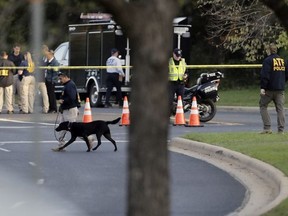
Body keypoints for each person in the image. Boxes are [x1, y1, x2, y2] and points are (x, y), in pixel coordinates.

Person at [259, 43, 288, 134]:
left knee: (263, 105)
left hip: (269, 89)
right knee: (280, 108)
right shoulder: (283, 61)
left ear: (269, 50)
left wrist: (263, 87)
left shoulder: (268, 60)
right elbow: (286, 74)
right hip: (280, 89)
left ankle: (267, 128)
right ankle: (281, 130)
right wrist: (282, 82)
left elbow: (265, 75)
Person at [52, 72, 79, 150]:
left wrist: (63, 101)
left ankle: (89, 139)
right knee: (62, 127)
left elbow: (72, 98)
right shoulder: (66, 85)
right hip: (65, 110)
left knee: (74, 129)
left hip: (70, 110)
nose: (60, 80)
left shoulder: (70, 85)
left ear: (65, 77)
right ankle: (61, 145)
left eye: (61, 78)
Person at [169, 48, 187, 115]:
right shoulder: (169, 62)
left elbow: (186, 71)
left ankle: (179, 114)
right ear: (173, 54)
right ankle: (168, 114)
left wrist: (186, 75)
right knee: (170, 100)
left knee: (180, 100)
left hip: (181, 83)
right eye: (177, 55)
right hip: (172, 84)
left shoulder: (183, 61)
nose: (178, 57)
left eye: (179, 55)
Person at [8, 43, 24, 111]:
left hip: (20, 75)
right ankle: (11, 107)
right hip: (13, 75)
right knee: (12, 92)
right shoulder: (10, 56)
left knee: (20, 92)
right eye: (16, 48)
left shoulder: (21, 56)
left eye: (18, 49)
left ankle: (21, 106)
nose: (17, 50)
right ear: (13, 49)